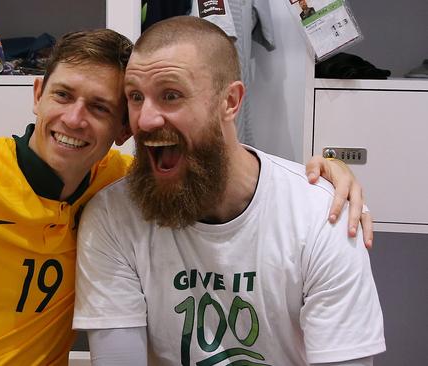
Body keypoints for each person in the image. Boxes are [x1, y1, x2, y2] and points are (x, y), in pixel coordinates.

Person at [0, 28, 369, 365]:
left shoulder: (123, 185)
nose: (74, 118)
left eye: (104, 107)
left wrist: (322, 175)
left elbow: (219, 164)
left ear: (121, 130)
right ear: (35, 93)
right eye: (63, 95)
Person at [73, 17, 384, 366]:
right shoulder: (112, 217)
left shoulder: (322, 217)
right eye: (134, 97)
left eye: (171, 95)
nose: (144, 120)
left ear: (230, 102)